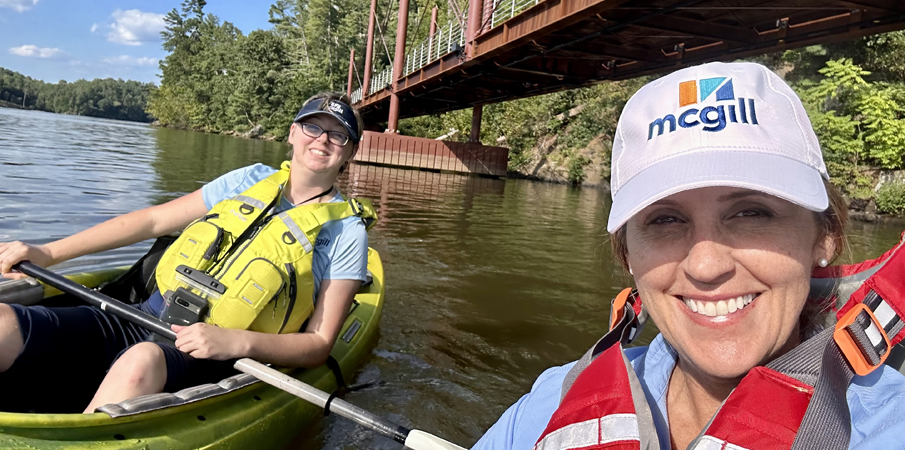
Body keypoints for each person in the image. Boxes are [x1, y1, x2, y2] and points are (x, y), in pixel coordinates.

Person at [472, 62, 905, 449]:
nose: (706, 266)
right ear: (628, 256)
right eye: (665, 220)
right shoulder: (554, 400)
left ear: (824, 237)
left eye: (751, 212)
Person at [0, 92, 376, 414]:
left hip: (215, 354)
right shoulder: (248, 179)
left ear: (351, 152)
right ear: (293, 132)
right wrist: (48, 252)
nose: (322, 140)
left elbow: (317, 344)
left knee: (140, 362)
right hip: (142, 316)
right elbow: (151, 221)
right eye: (313, 127)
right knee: (3, 321)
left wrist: (236, 342)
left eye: (338, 135)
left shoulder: (346, 232)